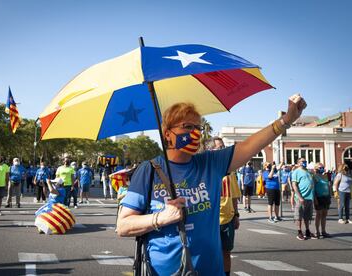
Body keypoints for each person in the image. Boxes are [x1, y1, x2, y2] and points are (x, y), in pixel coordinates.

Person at [117, 94, 307, 275]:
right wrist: (160, 218)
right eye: (187, 126)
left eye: (198, 128)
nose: (195, 133)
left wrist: (286, 120)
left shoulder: (210, 163)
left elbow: (250, 145)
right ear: (167, 134)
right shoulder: (148, 170)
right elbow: (123, 225)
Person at [210, 137, 241, 276]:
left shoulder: (231, 171)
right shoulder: (206, 169)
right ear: (211, 150)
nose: (223, 149)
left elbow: (234, 196)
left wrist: (236, 215)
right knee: (209, 252)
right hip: (210, 220)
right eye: (219, 147)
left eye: (223, 146)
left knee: (226, 252)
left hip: (227, 218)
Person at [291, 158, 317, 240]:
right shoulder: (296, 172)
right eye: (303, 161)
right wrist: (299, 197)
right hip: (301, 197)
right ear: (298, 163)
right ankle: (299, 232)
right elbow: (294, 185)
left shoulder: (308, 171)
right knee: (299, 216)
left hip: (309, 197)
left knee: (307, 216)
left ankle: (307, 231)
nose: (304, 162)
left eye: (305, 161)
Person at [313, 163, 331, 238]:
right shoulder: (314, 176)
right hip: (319, 197)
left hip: (326, 197)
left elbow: (328, 186)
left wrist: (329, 195)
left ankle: (323, 231)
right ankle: (317, 231)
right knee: (318, 214)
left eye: (323, 167)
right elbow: (313, 188)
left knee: (324, 214)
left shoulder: (325, 176)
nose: (322, 168)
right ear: (316, 168)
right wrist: (315, 198)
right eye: (320, 167)